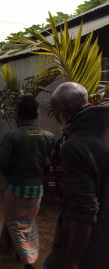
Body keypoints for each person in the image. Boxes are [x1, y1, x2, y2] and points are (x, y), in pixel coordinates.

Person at [44, 82, 109, 269]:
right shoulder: (103, 131)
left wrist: (72, 262)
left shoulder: (76, 145)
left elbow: (84, 211)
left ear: (63, 109)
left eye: (55, 113)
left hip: (89, 250)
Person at [0, 96, 55, 269]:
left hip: (15, 187)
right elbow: (55, 162)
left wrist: (11, 175)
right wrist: (42, 173)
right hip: (37, 189)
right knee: (27, 222)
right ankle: (16, 253)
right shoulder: (48, 136)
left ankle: (27, 263)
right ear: (36, 115)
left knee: (14, 223)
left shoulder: (13, 136)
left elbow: (1, 162)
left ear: (18, 115)